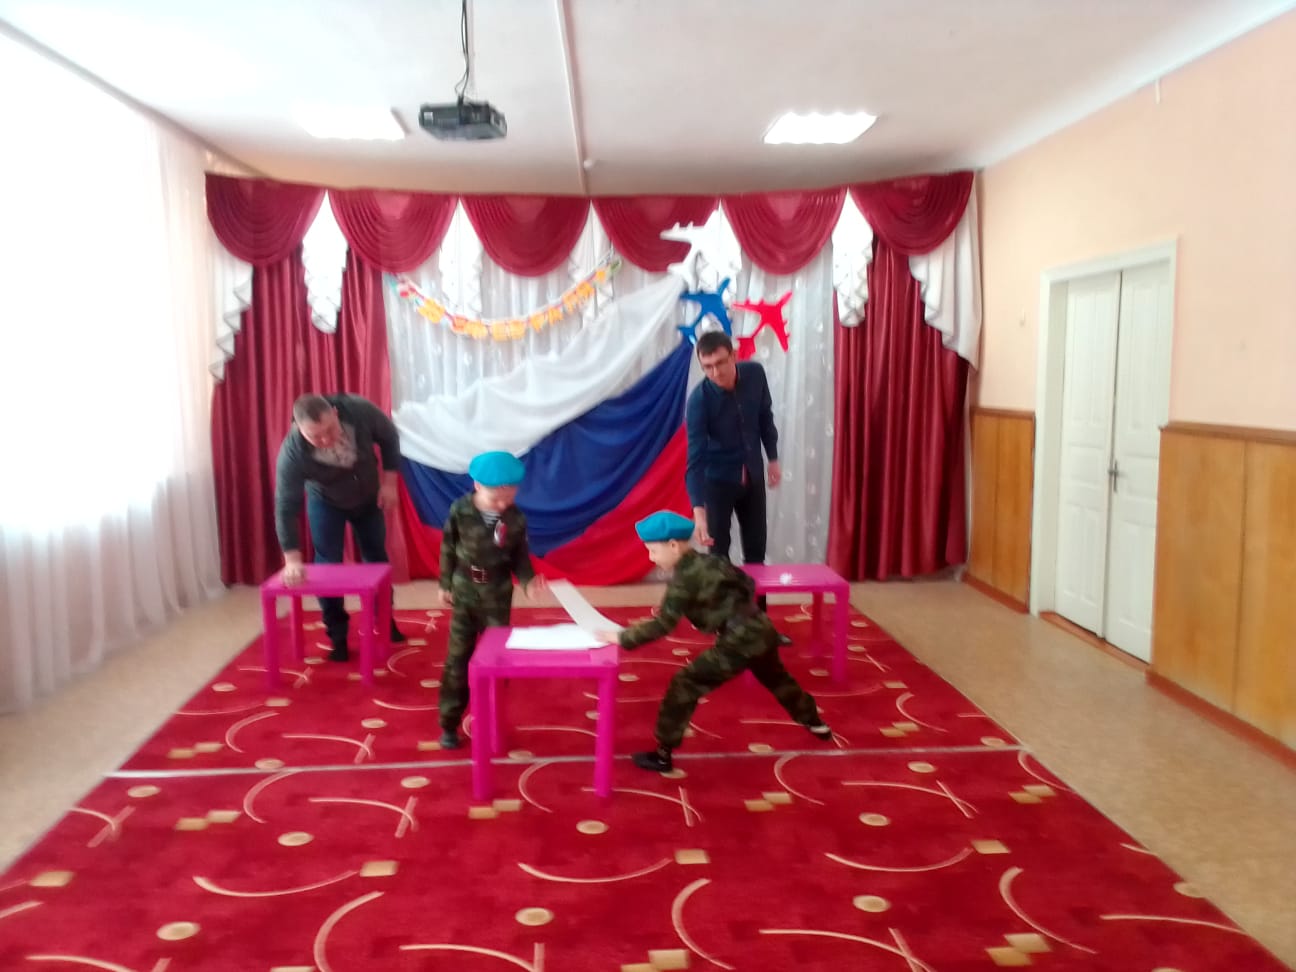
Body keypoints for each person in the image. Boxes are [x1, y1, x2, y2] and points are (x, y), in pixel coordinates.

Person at [598, 511, 832, 774]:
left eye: (653, 551)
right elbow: (747, 583)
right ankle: (815, 722)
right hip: (762, 628)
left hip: (737, 642)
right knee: (778, 680)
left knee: (685, 684)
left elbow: (663, 624)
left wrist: (621, 637)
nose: (651, 558)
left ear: (674, 546)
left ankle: (662, 755)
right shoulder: (713, 561)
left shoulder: (683, 581)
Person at [274, 393, 406, 662]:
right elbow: (286, 506)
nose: (326, 440)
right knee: (327, 565)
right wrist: (292, 559)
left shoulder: (359, 410)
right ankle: (337, 635)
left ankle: (384, 620)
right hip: (326, 501)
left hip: (368, 496)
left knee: (376, 557)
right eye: (316, 437)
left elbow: (390, 437)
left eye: (330, 430)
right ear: (299, 429)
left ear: (335, 413)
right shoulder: (292, 452)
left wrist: (390, 482)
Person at [685, 330, 791, 644]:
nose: (715, 372)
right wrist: (699, 512)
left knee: (756, 553)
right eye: (707, 367)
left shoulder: (755, 374)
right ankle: (727, 629)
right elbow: (694, 460)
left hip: (753, 477)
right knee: (718, 558)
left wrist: (773, 459)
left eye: (720, 362)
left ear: (733, 355)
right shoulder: (699, 401)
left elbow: (765, 418)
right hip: (717, 482)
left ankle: (760, 627)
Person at [436, 450, 547, 750]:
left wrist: (527, 581)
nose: (502, 505)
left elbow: (520, 557)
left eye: (508, 498)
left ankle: (491, 719)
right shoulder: (460, 510)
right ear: (477, 486)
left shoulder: (515, 518)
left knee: (497, 660)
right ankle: (449, 722)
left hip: (497, 594)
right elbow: (448, 547)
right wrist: (444, 583)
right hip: (464, 591)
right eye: (495, 499)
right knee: (457, 659)